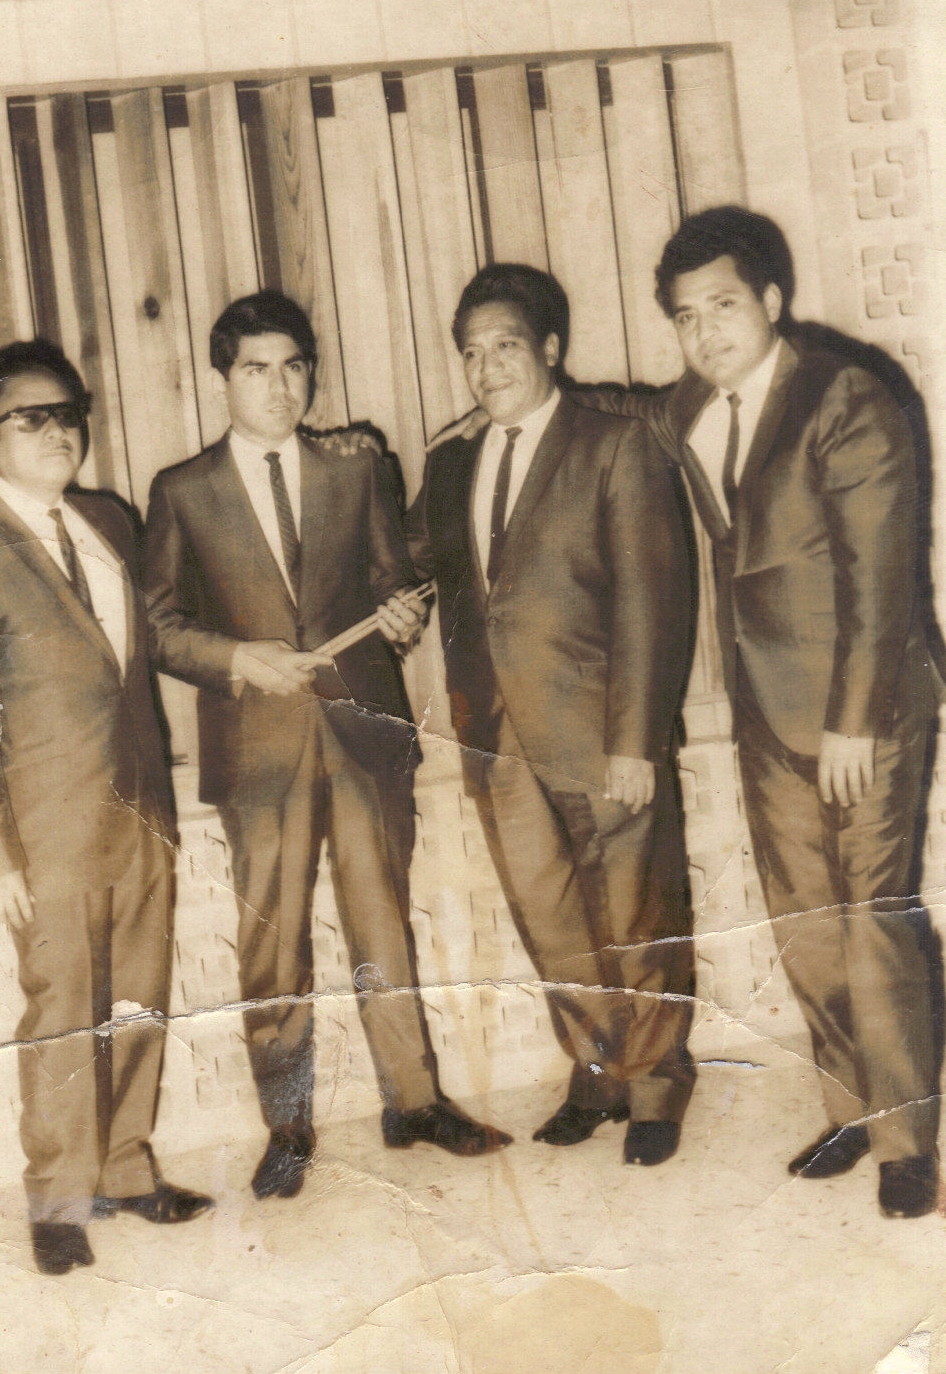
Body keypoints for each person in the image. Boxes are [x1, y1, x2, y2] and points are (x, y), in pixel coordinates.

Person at [594, 205, 941, 1216]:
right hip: (764, 713)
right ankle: (850, 1108)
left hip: (862, 709)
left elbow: (880, 574)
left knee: (869, 916)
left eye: (723, 306)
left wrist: (854, 718)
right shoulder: (688, 408)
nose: (704, 331)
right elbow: (618, 412)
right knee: (805, 925)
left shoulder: (845, 397)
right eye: (685, 316)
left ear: (771, 300)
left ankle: (907, 1145)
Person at [143, 290, 508, 1201]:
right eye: (256, 370)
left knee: (383, 920)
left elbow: (394, 585)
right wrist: (238, 658)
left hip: (363, 733)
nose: (278, 388)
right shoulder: (181, 491)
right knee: (273, 943)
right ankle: (288, 1124)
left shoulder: (356, 469)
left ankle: (413, 1102)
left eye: (293, 367)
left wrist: (400, 614)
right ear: (222, 380)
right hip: (257, 747)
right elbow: (157, 626)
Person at [405, 264, 697, 1167]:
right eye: (471, 353)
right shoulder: (450, 462)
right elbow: (408, 562)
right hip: (494, 733)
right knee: (551, 917)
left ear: (550, 349)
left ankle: (656, 1086)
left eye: (506, 346)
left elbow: (652, 602)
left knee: (637, 916)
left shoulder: (612, 444)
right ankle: (596, 1070)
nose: (486, 367)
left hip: (602, 732)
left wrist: (636, 740)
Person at [0, 340, 213, 1277]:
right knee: (62, 1010)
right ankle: (58, 1201)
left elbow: (144, 648)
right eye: (31, 418)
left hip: (140, 810)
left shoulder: (109, 521)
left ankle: (127, 1170)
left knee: (139, 995)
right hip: (44, 833)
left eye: (67, 414)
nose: (57, 432)